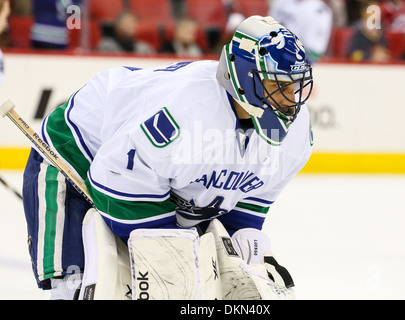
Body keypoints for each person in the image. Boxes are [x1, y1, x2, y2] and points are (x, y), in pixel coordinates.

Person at [22, 15, 314, 299]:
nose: (293, 98)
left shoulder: (298, 133)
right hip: (77, 154)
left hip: (153, 181)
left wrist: (241, 244)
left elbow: (249, 196)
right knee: (78, 286)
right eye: (279, 85)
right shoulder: (186, 111)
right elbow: (117, 180)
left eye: (296, 84)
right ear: (246, 80)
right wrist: (171, 252)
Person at [269, 0, 333, 63]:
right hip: (281, 46)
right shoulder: (280, 3)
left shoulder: (321, 9)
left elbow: (318, 44)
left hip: (308, 52)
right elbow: (271, 25)